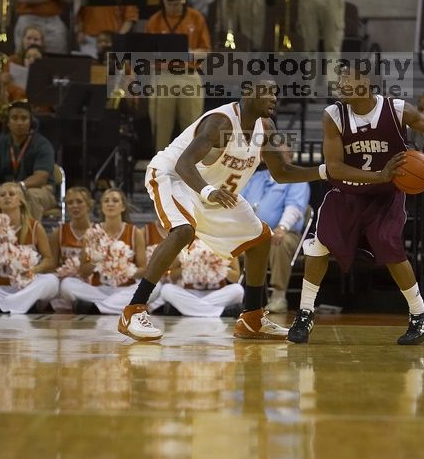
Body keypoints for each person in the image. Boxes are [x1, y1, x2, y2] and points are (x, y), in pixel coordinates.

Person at [117, 79, 327, 342]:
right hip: (175, 177)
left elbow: (282, 172)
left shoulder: (267, 129)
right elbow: (184, 164)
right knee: (183, 230)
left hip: (215, 191)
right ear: (248, 93)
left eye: (276, 92)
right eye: (267, 92)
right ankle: (133, 310)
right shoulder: (221, 122)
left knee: (260, 240)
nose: (274, 97)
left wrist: (324, 171)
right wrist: (208, 192)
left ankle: (252, 318)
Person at [287, 66, 424, 345]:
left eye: (348, 79)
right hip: (346, 194)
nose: (342, 84)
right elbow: (334, 167)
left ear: (368, 83)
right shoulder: (334, 116)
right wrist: (378, 175)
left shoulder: (396, 109)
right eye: (340, 80)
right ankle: (306, 312)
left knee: (388, 244)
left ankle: (422, 315)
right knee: (319, 243)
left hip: (385, 195)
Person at [0, 182, 58, 313]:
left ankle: (0, 306)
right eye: (2, 195)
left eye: (11, 194)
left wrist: (34, 270)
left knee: (52, 281)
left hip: (26, 287)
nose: (7, 197)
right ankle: (21, 305)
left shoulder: (35, 227)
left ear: (20, 201)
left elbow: (49, 260)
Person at [241, 143, 310, 313]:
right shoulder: (255, 177)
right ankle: (234, 295)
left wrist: (282, 227)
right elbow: (238, 202)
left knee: (280, 241)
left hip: (283, 233)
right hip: (250, 234)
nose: (277, 159)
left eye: (282, 155)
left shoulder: (297, 178)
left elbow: (294, 207)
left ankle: (278, 296)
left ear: (290, 157)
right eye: (274, 155)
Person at [59, 188, 147, 314]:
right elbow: (83, 272)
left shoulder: (135, 233)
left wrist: (124, 269)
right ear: (102, 207)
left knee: (155, 288)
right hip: (98, 290)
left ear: (123, 207)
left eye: (115, 201)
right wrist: (97, 261)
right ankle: (115, 305)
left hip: (125, 289)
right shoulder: (92, 233)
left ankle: (97, 308)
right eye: (106, 201)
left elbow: (144, 270)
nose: (110, 204)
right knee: (66, 285)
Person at [145, 0, 212, 151]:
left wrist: (188, 53)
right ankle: (159, 169)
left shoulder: (196, 17)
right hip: (163, 75)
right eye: (170, 4)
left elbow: (206, 52)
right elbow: (145, 52)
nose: (173, 8)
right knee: (160, 126)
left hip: (189, 73)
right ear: (163, 1)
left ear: (183, 0)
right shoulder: (155, 20)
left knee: (191, 126)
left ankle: (188, 168)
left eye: (177, 4)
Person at [0, 100, 56, 221]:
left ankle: (29, 236)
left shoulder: (42, 144)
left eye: (24, 118)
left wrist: (18, 187)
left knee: (30, 196)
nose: (19, 122)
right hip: (5, 187)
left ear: (31, 122)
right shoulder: (0, 143)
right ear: (8, 122)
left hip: (39, 189)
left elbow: (41, 177)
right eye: (14, 118)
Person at [150, 238, 244, 317]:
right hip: (190, 293)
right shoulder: (186, 244)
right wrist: (190, 266)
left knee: (238, 290)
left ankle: (184, 310)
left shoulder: (225, 245)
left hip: (216, 294)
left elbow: (235, 278)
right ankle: (222, 312)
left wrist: (217, 266)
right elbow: (171, 276)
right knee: (166, 290)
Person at [49, 186, 93, 313]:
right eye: (70, 203)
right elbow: (52, 265)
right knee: (61, 284)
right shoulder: (59, 232)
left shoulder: (99, 232)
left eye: (79, 202)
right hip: (67, 283)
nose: (75, 206)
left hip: (90, 283)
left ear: (88, 205)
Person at [74, 0, 138, 58]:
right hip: (89, 39)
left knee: (117, 67)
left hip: (113, 40)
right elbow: (78, 10)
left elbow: (130, 18)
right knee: (87, 67)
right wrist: (80, 30)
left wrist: (117, 39)